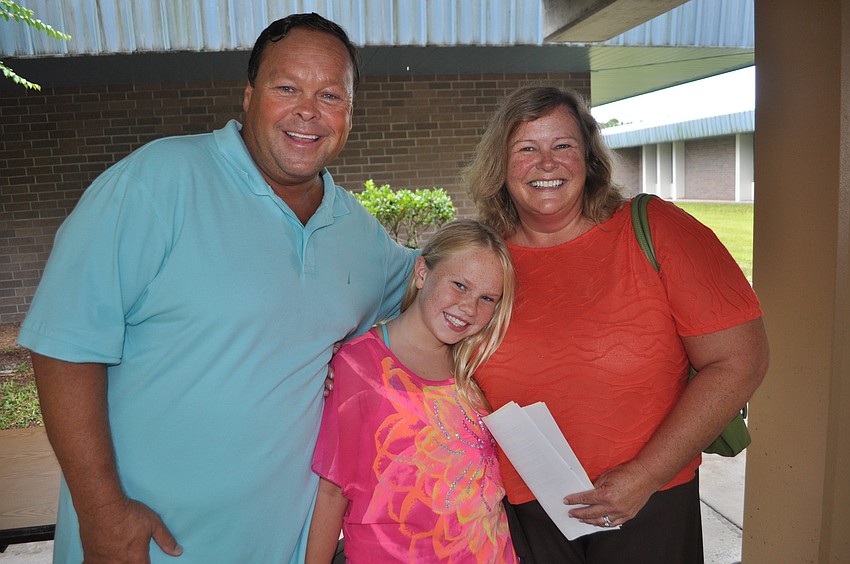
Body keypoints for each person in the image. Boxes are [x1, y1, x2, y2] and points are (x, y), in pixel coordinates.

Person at [17, 13, 417, 564]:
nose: (308, 110)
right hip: (146, 544)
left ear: (349, 112)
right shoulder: (158, 181)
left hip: (282, 545)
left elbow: (448, 289)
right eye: (287, 87)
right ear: (249, 95)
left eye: (330, 94)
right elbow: (63, 344)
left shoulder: (359, 236)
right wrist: (102, 511)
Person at [461, 85, 769, 563]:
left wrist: (645, 475)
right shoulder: (478, 259)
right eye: (526, 149)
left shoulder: (657, 230)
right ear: (500, 166)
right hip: (523, 513)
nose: (547, 163)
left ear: (589, 158)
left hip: (649, 503)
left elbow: (739, 360)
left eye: (562, 145)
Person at [305, 219, 519, 563]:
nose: (469, 307)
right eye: (459, 285)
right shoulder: (358, 365)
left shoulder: (477, 366)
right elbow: (332, 490)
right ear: (422, 273)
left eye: (487, 298)